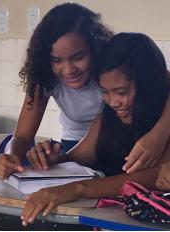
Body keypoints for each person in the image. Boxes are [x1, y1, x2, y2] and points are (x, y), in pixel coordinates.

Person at [0, 3, 170, 179]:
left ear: (95, 48)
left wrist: (159, 134)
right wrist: (11, 157)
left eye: (78, 57)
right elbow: (22, 137)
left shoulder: (115, 63)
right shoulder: (45, 77)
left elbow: (160, 81)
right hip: (77, 149)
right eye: (56, 60)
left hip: (127, 143)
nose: (69, 70)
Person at [21, 32, 170, 226]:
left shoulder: (163, 122)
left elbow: (152, 177)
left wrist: (78, 189)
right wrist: (52, 159)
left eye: (121, 92)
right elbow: (82, 155)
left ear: (148, 86)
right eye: (105, 92)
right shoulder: (109, 113)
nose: (113, 102)